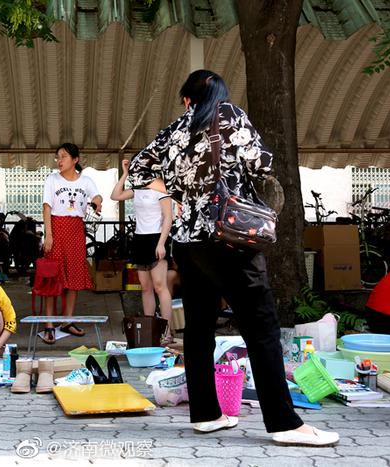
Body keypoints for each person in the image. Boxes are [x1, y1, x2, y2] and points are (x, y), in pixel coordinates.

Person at [128, 69, 339, 446]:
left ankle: (206, 415)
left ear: (187, 99)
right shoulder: (231, 116)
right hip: (230, 238)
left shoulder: (174, 130)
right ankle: (284, 424)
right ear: (220, 95)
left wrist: (177, 189)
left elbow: (139, 169)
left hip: (188, 244)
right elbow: (262, 164)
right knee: (261, 329)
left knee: (198, 329)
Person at [41, 143, 103, 344]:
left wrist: (97, 201)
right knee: (53, 277)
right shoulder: (52, 180)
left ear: (75, 160)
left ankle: (68, 320)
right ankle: (49, 323)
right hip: (57, 229)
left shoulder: (86, 180)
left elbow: (97, 195)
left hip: (76, 230)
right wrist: (48, 235)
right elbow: (47, 207)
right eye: (58, 157)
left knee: (74, 275)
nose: (59, 161)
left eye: (64, 156)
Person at [111, 158, 175, 344]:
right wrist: (125, 174)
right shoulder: (138, 188)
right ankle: (150, 330)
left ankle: (167, 331)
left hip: (157, 238)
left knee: (159, 285)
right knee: (145, 287)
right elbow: (115, 195)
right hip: (140, 239)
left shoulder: (161, 187)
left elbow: (168, 218)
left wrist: (161, 243)